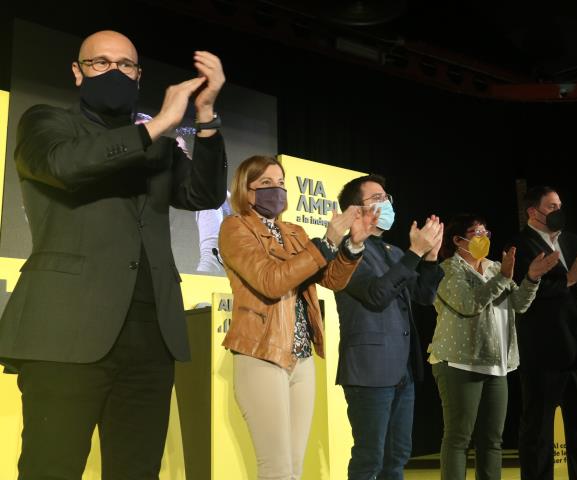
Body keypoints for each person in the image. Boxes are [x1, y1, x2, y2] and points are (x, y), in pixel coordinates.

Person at [0, 30, 228, 479]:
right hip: (65, 332)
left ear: (139, 75)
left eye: (125, 65)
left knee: (137, 469)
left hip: (150, 335)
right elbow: (68, 166)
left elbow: (202, 192)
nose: (114, 72)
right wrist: (159, 124)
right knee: (52, 467)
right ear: (77, 72)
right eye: (100, 63)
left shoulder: (158, 143)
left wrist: (204, 115)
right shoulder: (45, 123)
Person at [219, 155, 378, 480]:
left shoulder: (293, 231)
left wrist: (352, 246)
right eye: (265, 184)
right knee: (276, 470)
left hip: (302, 357)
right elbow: (271, 280)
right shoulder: (235, 227)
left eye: (280, 183)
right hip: (261, 353)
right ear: (246, 191)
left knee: (294, 468)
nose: (276, 190)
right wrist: (327, 242)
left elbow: (331, 279)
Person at [427, 214, 559, 480]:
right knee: (458, 439)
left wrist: (532, 277)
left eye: (486, 233)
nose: (484, 238)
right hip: (459, 362)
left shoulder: (493, 267)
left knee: (492, 441)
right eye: (477, 233)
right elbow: (469, 304)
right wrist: (503, 277)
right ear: (458, 239)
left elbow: (520, 304)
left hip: (496, 363)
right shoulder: (448, 270)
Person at [334, 174, 445, 480]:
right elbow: (377, 295)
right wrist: (414, 254)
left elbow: (423, 295)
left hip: (401, 370)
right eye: (377, 199)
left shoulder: (392, 252)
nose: (386, 204)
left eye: (387, 198)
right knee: (370, 458)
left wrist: (431, 258)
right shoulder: (347, 251)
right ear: (355, 211)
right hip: (369, 371)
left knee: (397, 456)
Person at [508, 186, 577, 480]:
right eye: (551, 206)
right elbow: (524, 297)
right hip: (544, 355)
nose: (558, 211)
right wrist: (571, 278)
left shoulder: (574, 241)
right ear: (532, 212)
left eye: (560, 205)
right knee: (538, 433)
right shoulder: (519, 246)